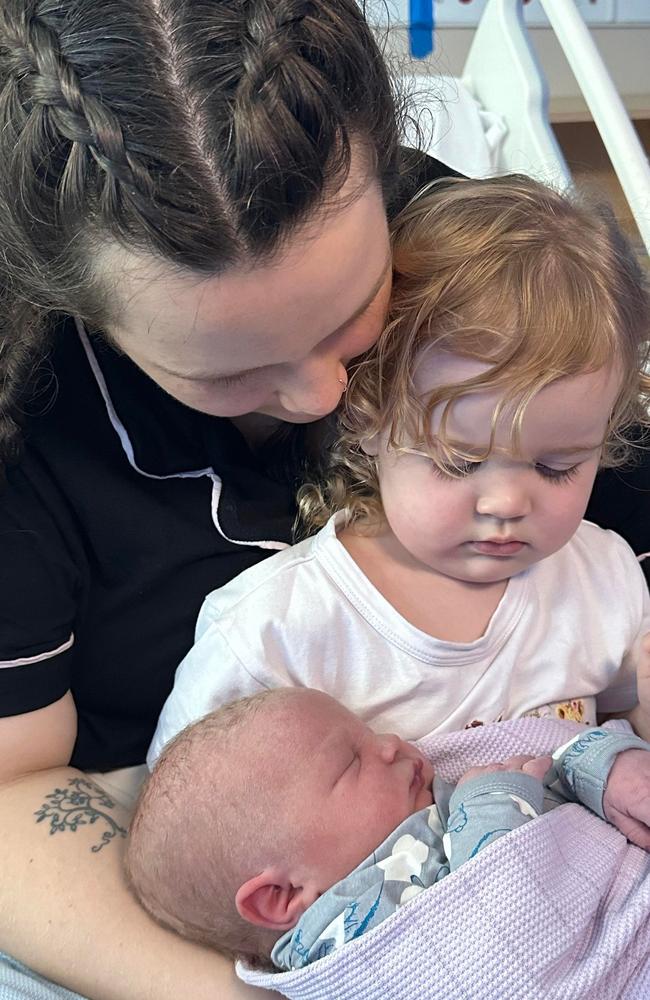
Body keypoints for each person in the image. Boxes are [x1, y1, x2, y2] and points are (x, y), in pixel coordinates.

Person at [0, 3, 458, 999]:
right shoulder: (26, 429)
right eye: (228, 374)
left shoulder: (485, 275)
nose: (321, 399)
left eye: (353, 314)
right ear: (89, 316)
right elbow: (12, 791)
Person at [148, 173, 650, 767]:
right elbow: (197, 818)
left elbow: (621, 730)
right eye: (459, 460)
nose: (508, 503)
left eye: (557, 466)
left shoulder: (603, 581)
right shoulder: (277, 633)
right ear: (368, 414)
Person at [128, 688, 650, 973]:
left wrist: (602, 765)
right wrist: (491, 809)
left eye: (370, 732)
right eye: (350, 764)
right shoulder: (354, 945)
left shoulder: (428, 793)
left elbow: (540, 751)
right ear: (283, 896)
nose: (392, 743)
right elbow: (500, 956)